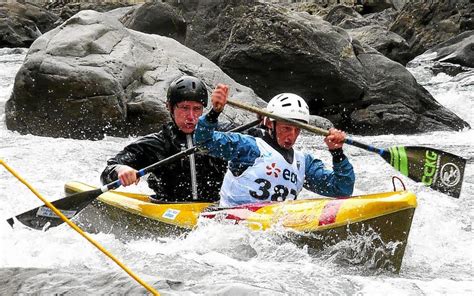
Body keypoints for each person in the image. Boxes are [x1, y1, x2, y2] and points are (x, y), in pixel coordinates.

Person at [194, 84, 355, 207]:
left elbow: (341, 190)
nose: (291, 136)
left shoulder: (302, 163)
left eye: (297, 130)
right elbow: (204, 143)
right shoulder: (249, 147)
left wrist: (337, 153)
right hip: (230, 222)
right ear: (271, 124)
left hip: (274, 229)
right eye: (286, 128)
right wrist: (213, 113)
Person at [100, 75, 232, 202]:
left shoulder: (222, 135)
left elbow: (252, 138)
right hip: (168, 209)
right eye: (185, 108)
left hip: (215, 212)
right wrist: (121, 170)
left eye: (197, 109)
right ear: (169, 107)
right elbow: (108, 171)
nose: (191, 116)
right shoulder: (155, 144)